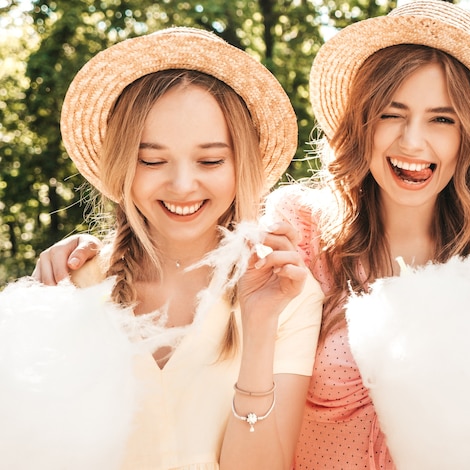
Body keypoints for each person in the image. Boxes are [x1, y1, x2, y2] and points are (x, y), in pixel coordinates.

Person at [34, 2, 470, 468]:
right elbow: (194, 232)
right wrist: (99, 253)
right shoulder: (297, 232)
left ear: (469, 137)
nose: (412, 142)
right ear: (362, 122)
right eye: (391, 113)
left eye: (442, 119)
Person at [9, 27, 323, 470]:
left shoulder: (289, 295)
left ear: (241, 165)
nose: (181, 186)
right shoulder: (73, 282)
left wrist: (257, 330)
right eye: (152, 160)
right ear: (121, 166)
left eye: (210, 160)